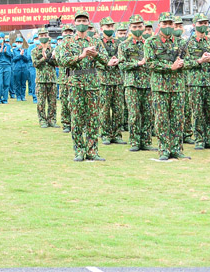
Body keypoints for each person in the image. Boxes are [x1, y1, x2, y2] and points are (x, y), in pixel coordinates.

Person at [57, 11, 107, 162]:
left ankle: (92, 151)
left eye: (84, 21)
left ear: (88, 23)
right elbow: (62, 61)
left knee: (93, 119)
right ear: (74, 23)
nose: (81, 23)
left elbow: (105, 60)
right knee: (77, 118)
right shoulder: (67, 42)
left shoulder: (96, 42)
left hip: (92, 83)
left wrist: (95, 55)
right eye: (79, 21)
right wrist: (81, 56)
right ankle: (79, 151)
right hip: (75, 83)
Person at [145, 12, 190, 161]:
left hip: (177, 86)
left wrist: (182, 64)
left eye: (170, 24)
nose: (168, 26)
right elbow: (150, 63)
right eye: (165, 24)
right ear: (159, 25)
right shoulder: (150, 42)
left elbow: (188, 61)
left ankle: (177, 149)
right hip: (160, 86)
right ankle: (164, 149)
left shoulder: (181, 42)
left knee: (178, 118)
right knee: (162, 119)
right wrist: (170, 66)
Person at [184, 13, 210, 151]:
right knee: (198, 112)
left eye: (206, 23)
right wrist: (199, 61)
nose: (204, 25)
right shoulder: (188, 43)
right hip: (195, 82)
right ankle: (199, 140)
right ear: (195, 25)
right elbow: (184, 63)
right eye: (201, 23)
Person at [118, 15, 153, 152]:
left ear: (144, 28)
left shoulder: (149, 44)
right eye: (134, 27)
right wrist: (138, 63)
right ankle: (134, 141)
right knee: (134, 114)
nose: (137, 29)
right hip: (132, 84)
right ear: (130, 28)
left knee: (148, 114)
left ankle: (146, 141)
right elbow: (122, 65)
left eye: (140, 26)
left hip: (148, 83)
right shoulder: (124, 45)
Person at [96, 17, 125, 145]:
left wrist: (118, 61)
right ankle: (105, 134)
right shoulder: (97, 43)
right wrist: (107, 63)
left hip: (117, 79)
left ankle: (117, 134)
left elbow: (124, 58)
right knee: (105, 108)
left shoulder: (119, 43)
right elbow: (95, 61)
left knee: (118, 108)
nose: (109, 29)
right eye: (107, 27)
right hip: (104, 80)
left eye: (111, 26)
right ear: (101, 28)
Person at [31, 33, 58, 127]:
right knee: (41, 102)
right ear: (38, 37)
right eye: (41, 35)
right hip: (40, 80)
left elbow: (57, 63)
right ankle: (42, 120)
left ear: (48, 36)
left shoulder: (54, 49)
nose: (43, 37)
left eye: (45, 35)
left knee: (53, 102)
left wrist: (52, 58)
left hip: (52, 79)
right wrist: (43, 58)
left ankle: (52, 120)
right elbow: (35, 64)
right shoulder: (35, 50)